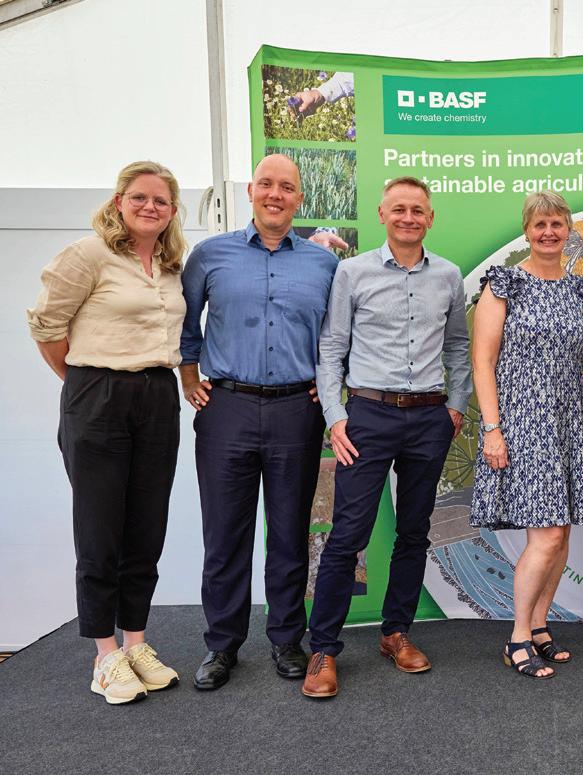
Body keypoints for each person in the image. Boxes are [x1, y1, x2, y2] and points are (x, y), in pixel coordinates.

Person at [301, 176, 470, 698]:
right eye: (399, 209)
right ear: (382, 214)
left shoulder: (448, 275)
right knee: (347, 536)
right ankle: (324, 649)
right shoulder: (352, 272)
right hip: (368, 417)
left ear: (430, 218)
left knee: (414, 532)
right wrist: (336, 416)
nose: (408, 217)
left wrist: (456, 407)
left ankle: (396, 633)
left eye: (418, 210)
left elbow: (458, 347)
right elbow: (332, 347)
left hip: (429, 419)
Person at [27, 161, 187, 704]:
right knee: (100, 532)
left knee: (146, 527)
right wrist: (86, 384)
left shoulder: (169, 264)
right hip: (98, 397)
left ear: (172, 211)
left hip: (158, 396)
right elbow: (47, 326)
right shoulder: (89, 254)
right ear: (119, 201)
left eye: (160, 200)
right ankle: (104, 655)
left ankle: (136, 644)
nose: (150, 207)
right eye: (139, 197)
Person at [180, 153, 339, 690]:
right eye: (266, 184)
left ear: (299, 198)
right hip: (226, 407)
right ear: (251, 191)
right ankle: (222, 645)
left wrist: (330, 380)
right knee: (225, 533)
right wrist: (188, 376)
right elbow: (184, 323)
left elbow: (338, 334)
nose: (276, 194)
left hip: (298, 409)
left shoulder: (323, 265)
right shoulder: (210, 255)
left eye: (287, 187)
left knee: (290, 532)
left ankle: (287, 639)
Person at [471, 191, 583, 679]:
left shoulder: (582, 291)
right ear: (527, 231)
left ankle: (538, 625)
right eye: (539, 224)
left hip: (573, 422)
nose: (548, 232)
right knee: (547, 534)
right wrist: (493, 429)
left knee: (561, 530)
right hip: (524, 423)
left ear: (568, 230)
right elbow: (483, 362)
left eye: (556, 224)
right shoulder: (505, 284)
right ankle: (516, 639)